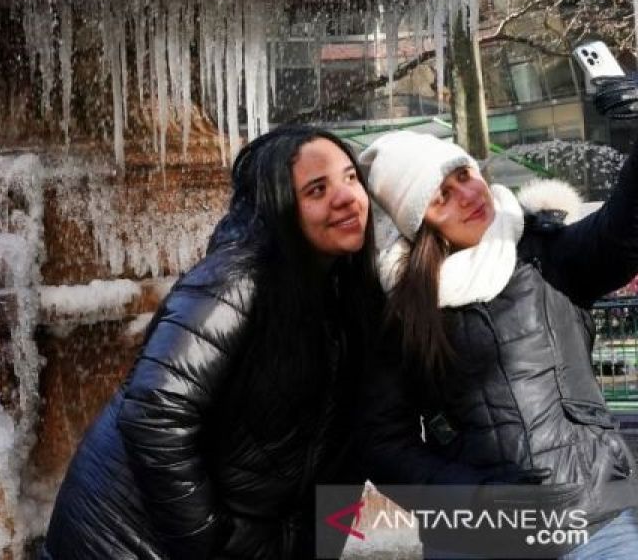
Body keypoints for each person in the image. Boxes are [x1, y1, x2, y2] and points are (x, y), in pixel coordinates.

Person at [358, 76, 638, 558]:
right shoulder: (401, 303)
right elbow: (383, 442)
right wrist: (473, 496)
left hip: (590, 517)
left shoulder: (541, 251)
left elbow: (626, 235)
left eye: (463, 174)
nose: (467, 193)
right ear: (419, 220)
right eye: (441, 195)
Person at [42, 124, 383, 559]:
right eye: (317, 189)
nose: (345, 196)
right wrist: (207, 542)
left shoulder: (340, 291)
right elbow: (154, 416)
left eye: (350, 177)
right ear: (279, 208)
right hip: (125, 543)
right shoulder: (235, 281)